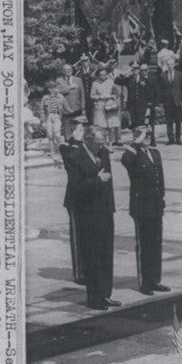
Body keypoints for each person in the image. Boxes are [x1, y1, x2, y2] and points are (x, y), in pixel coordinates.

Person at [68, 124, 120, 311]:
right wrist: (97, 180)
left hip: (104, 211)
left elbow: (109, 182)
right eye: (99, 142)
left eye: (103, 141)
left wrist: (111, 208)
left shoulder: (103, 153)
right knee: (92, 256)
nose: (102, 145)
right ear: (89, 140)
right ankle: (94, 298)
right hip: (88, 215)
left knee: (106, 255)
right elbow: (77, 188)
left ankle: (105, 294)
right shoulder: (75, 157)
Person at [121, 127, 169, 296]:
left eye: (148, 135)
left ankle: (155, 279)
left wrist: (161, 199)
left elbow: (160, 179)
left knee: (156, 244)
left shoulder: (155, 153)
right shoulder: (133, 155)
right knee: (145, 245)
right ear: (136, 137)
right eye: (143, 135)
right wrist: (136, 142)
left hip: (155, 205)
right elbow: (125, 159)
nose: (147, 138)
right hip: (141, 206)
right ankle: (145, 282)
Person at [59, 114, 89, 286]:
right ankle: (79, 272)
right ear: (71, 130)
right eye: (78, 128)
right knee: (77, 236)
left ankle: (88, 268)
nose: (82, 132)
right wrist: (76, 141)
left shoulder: (83, 145)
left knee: (87, 235)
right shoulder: (67, 146)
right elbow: (72, 160)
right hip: (75, 197)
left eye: (82, 128)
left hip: (87, 195)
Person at [115, 63, 157, 145]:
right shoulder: (129, 78)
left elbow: (149, 92)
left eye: (137, 68)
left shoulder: (145, 78)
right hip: (132, 105)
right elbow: (117, 81)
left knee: (145, 123)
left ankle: (150, 140)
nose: (135, 70)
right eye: (134, 69)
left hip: (143, 104)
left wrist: (149, 104)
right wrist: (124, 73)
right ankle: (136, 139)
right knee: (135, 123)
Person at [90, 66, 122, 149]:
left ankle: (110, 144)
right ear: (98, 75)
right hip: (100, 106)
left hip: (110, 105)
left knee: (111, 126)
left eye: (104, 75)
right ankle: (103, 144)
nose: (103, 76)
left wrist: (112, 96)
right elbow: (92, 95)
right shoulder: (95, 83)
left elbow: (117, 93)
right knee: (101, 126)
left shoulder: (110, 82)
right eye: (101, 75)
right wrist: (100, 97)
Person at [156, 60, 182, 145]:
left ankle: (178, 139)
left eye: (171, 64)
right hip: (167, 101)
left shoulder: (179, 74)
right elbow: (160, 89)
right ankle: (171, 139)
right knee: (169, 121)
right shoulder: (162, 75)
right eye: (168, 64)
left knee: (178, 121)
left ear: (174, 65)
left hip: (177, 101)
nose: (170, 66)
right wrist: (161, 101)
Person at [40, 80, 66, 163]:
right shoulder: (45, 97)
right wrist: (43, 121)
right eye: (50, 88)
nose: (52, 90)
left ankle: (60, 153)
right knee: (50, 136)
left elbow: (66, 107)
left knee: (57, 135)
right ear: (48, 89)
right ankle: (53, 154)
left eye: (54, 87)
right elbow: (41, 110)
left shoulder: (61, 97)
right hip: (49, 117)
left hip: (57, 116)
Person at [58, 63, 86, 138]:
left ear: (72, 70)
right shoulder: (59, 81)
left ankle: (77, 144)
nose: (68, 71)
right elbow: (57, 92)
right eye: (66, 70)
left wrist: (83, 108)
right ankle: (68, 144)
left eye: (70, 69)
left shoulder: (78, 80)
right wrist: (69, 88)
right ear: (63, 71)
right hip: (66, 108)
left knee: (78, 128)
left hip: (77, 107)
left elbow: (82, 94)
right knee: (67, 128)